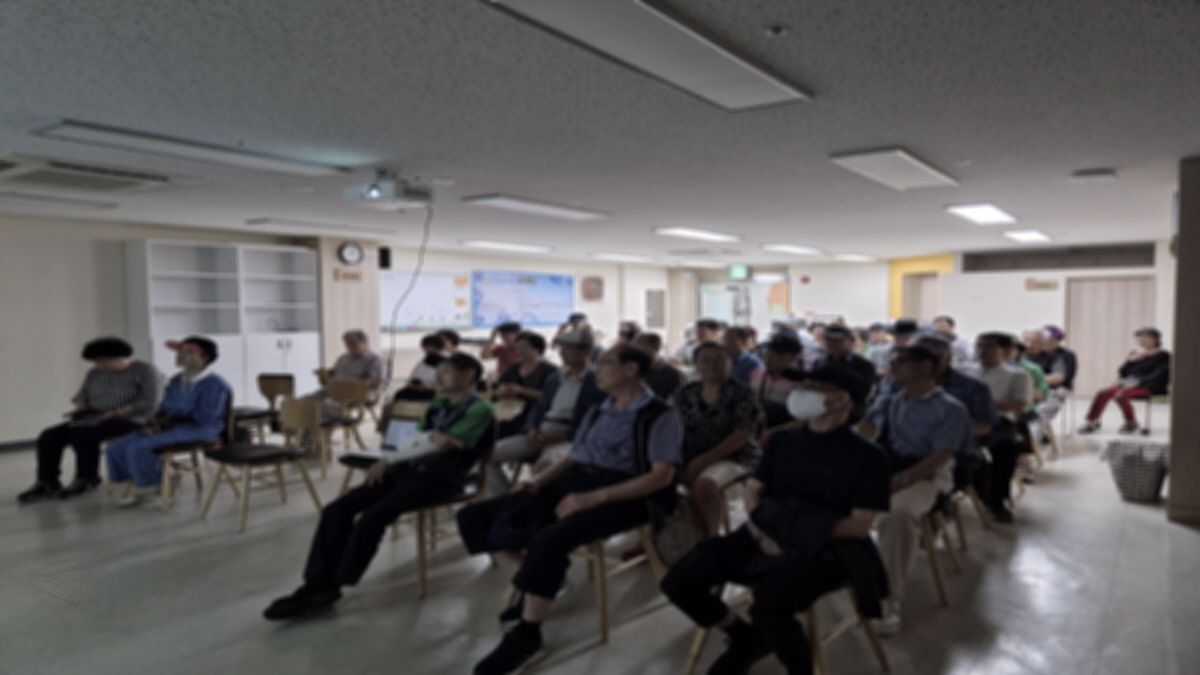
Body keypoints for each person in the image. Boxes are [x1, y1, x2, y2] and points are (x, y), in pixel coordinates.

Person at [456, 344, 682, 675]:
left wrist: (595, 498)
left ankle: (527, 634)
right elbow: (575, 454)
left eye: (604, 364)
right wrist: (539, 481)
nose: (597, 371)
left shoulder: (659, 414)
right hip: (576, 482)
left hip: (626, 495)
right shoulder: (599, 408)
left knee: (548, 540)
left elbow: (661, 476)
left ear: (631, 369)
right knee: (472, 517)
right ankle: (539, 581)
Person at [661, 366, 888, 675]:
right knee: (680, 580)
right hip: (764, 530)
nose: (800, 392)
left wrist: (789, 536)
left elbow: (859, 525)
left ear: (840, 399)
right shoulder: (783, 441)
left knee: (770, 607)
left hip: (827, 548)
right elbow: (753, 490)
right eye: (802, 385)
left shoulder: (868, 457)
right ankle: (745, 638)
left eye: (813, 386)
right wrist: (760, 530)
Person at [263, 352, 495, 620]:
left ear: (469, 375)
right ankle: (315, 582)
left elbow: (444, 445)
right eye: (438, 371)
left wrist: (429, 440)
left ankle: (333, 584)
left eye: (447, 371)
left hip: (441, 478)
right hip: (407, 469)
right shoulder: (438, 404)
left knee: (373, 517)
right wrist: (388, 460)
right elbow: (419, 441)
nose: (439, 377)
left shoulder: (481, 409)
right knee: (337, 509)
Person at [866, 345, 971, 634]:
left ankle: (886, 600)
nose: (893, 367)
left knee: (898, 514)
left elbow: (941, 455)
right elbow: (866, 431)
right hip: (887, 468)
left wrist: (900, 480)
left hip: (926, 476)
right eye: (893, 361)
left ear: (925, 367)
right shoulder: (890, 400)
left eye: (901, 362)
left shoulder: (950, 408)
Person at [18, 338, 164, 503]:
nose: (100, 366)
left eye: (104, 362)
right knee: (49, 436)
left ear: (120, 357)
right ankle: (47, 481)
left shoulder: (145, 371)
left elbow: (150, 401)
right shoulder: (95, 372)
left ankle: (87, 478)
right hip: (96, 416)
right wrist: (81, 405)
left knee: (84, 435)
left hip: (133, 419)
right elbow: (82, 393)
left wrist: (115, 413)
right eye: (97, 362)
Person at [104, 336, 232, 507]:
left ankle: (158, 488)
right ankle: (142, 484)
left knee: (140, 446)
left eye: (188, 352)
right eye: (179, 351)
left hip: (202, 428)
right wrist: (156, 421)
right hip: (175, 424)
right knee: (115, 447)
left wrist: (173, 416)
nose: (180, 355)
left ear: (205, 357)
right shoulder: (177, 380)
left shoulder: (214, 384)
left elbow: (206, 417)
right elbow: (164, 406)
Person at [486, 330, 603, 496]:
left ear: (587, 351)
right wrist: (532, 428)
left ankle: (538, 506)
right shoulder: (555, 378)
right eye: (561, 348)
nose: (562, 353)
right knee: (486, 456)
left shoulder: (597, 381)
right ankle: (505, 501)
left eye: (568, 348)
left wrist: (565, 435)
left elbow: (596, 418)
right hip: (541, 430)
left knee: (549, 463)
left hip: (568, 436)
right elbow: (540, 408)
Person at [676, 342, 764, 537]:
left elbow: (741, 436)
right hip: (691, 453)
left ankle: (712, 539)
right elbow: (676, 428)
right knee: (659, 478)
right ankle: (680, 538)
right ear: (696, 365)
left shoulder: (742, 393)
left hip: (735, 456)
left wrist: (700, 462)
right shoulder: (687, 392)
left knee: (705, 485)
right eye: (705, 360)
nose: (712, 365)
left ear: (730, 363)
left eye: (719, 360)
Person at [967, 332, 1033, 523]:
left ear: (1006, 350)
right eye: (979, 346)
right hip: (964, 420)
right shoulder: (965, 371)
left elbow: (1019, 403)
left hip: (999, 421)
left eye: (990, 346)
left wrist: (982, 404)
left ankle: (996, 501)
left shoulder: (1017, 375)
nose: (983, 351)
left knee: (1007, 446)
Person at [1079, 327, 1171, 434]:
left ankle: (1131, 422)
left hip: (1150, 386)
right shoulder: (1135, 353)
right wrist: (1131, 360)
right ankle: (1090, 422)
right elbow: (1122, 372)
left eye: (1145, 338)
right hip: (1128, 384)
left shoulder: (1164, 355)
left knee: (1121, 395)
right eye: (1139, 338)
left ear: (1156, 340)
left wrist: (1139, 382)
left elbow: (1160, 375)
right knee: (1103, 392)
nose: (1141, 341)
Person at [305, 329, 387, 418]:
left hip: (356, 394)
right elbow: (334, 373)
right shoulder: (344, 357)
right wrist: (325, 376)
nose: (350, 347)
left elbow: (377, 383)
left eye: (353, 344)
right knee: (302, 402)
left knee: (321, 406)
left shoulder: (375, 359)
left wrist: (347, 382)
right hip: (334, 390)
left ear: (365, 343)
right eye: (347, 344)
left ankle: (334, 419)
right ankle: (310, 424)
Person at [494, 331, 559, 438]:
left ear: (537, 349)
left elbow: (550, 396)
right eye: (517, 347)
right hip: (508, 411)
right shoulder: (513, 367)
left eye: (524, 347)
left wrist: (520, 390)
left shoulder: (550, 370)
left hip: (534, 416)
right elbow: (498, 386)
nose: (519, 350)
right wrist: (502, 392)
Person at [750, 333, 806, 444]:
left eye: (777, 354)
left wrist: (772, 433)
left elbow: (804, 419)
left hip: (785, 439)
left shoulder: (802, 383)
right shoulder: (756, 374)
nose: (769, 357)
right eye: (768, 352)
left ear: (793, 358)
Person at [389, 332, 446, 403]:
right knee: (400, 394)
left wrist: (429, 387)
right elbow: (413, 377)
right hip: (415, 389)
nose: (425, 350)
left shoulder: (447, 364)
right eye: (425, 347)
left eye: (428, 347)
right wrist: (412, 385)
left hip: (432, 392)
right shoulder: (423, 362)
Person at [634, 331, 686, 401]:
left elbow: (677, 402)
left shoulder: (673, 374)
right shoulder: (633, 372)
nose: (636, 352)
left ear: (656, 348)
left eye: (641, 347)